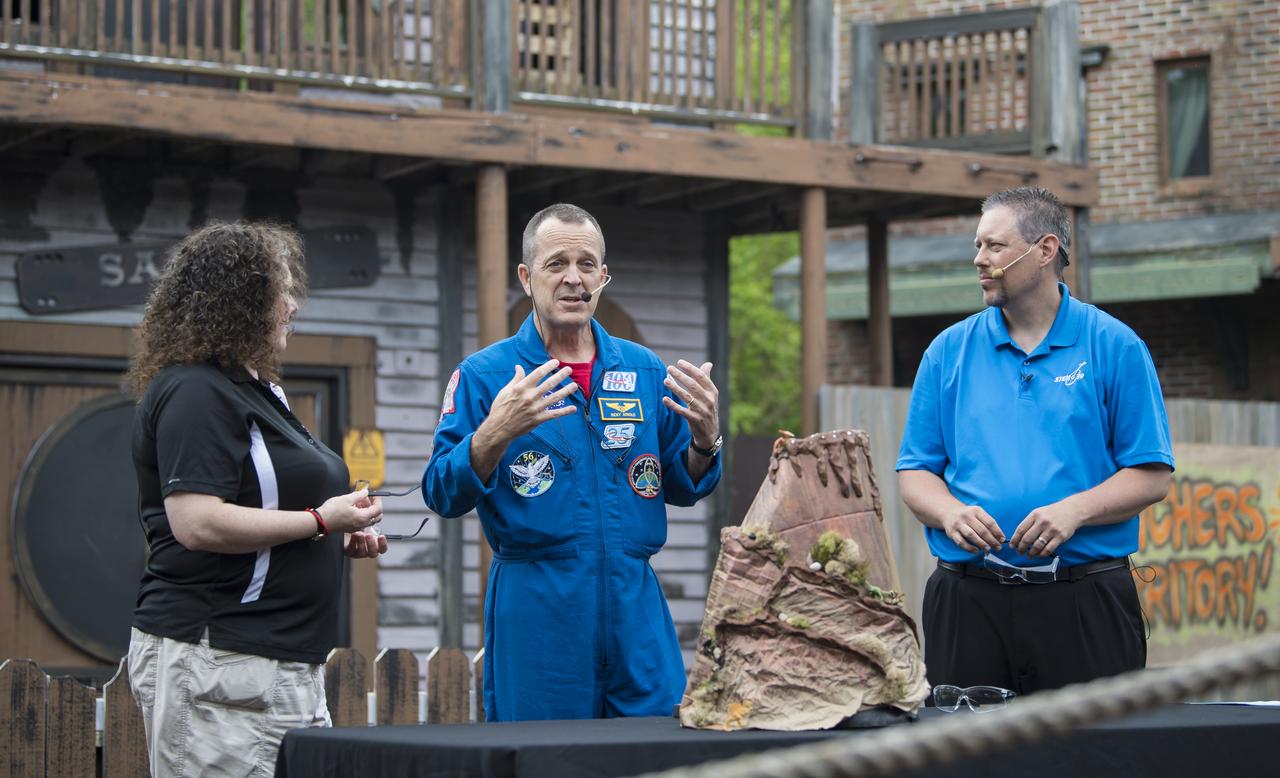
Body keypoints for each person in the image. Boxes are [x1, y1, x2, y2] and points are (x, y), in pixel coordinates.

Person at [423, 203, 723, 721]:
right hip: (539, 610)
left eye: (587, 265)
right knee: (542, 759)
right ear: (526, 277)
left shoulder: (643, 369)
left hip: (636, 609)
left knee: (663, 754)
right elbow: (440, 491)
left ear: (603, 277)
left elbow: (681, 483)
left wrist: (706, 439)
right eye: (556, 263)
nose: (573, 279)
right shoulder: (486, 375)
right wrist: (495, 432)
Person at [125, 222, 388, 776]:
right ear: (240, 303)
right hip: (221, 660)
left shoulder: (256, 392)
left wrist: (332, 538)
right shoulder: (196, 390)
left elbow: (265, 516)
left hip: (278, 664)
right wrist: (320, 520)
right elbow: (196, 523)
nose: (293, 306)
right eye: (281, 293)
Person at [896, 187, 1174, 695]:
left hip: (1085, 599)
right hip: (967, 600)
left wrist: (1075, 511)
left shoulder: (1114, 344)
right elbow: (915, 472)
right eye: (978, 246)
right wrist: (950, 513)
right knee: (964, 765)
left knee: (1095, 760)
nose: (979, 260)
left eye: (995, 247)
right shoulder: (946, 352)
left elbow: (1152, 475)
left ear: (1045, 251)